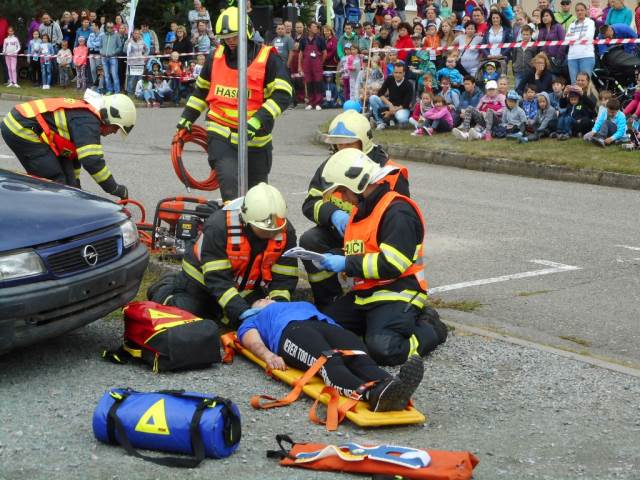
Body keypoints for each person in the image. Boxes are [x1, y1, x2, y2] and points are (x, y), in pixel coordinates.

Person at [316, 149, 446, 366]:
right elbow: (362, 252)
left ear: (357, 184)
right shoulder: (362, 211)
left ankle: (431, 328)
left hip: (399, 292)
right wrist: (337, 257)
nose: (343, 199)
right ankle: (376, 326)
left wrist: (346, 263)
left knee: (384, 350)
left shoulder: (397, 211)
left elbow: (392, 264)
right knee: (323, 327)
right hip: (365, 294)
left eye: (343, 192)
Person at [176, 7, 292, 201]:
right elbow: (201, 91)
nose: (230, 42)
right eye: (226, 37)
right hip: (221, 134)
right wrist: (187, 118)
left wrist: (257, 121)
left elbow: (283, 94)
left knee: (258, 198)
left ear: (247, 31)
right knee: (230, 187)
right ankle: (230, 227)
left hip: (256, 140)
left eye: (234, 37)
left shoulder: (268, 58)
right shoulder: (215, 57)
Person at [148, 183, 298, 328]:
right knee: (190, 317)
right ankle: (164, 289)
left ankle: (225, 312)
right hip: (201, 285)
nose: (272, 234)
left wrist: (277, 305)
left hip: (241, 288)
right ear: (247, 220)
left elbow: (285, 277)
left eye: (276, 228)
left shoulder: (284, 231)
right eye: (263, 230)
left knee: (257, 318)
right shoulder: (219, 227)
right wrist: (241, 311)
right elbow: (217, 279)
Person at [300, 110, 408, 306]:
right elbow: (310, 203)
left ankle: (370, 295)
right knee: (310, 241)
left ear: (364, 142)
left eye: (349, 144)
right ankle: (329, 301)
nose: (343, 150)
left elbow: (396, 223)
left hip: (373, 239)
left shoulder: (388, 172)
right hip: (344, 232)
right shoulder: (332, 165)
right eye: (338, 145)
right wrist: (333, 215)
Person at [238, 300, 425, 412]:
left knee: (360, 358)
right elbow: (251, 341)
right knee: (329, 361)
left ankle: (393, 387)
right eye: (260, 300)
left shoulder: (299, 304)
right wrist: (268, 355)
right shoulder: (255, 318)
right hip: (291, 330)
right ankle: (371, 394)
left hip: (327, 326)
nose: (266, 298)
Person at [0, 93, 135, 198]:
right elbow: (92, 161)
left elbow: (71, 156)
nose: (114, 132)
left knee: (67, 186)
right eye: (116, 128)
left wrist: (75, 187)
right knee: (54, 181)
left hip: (26, 124)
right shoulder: (87, 122)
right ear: (110, 117)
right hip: (20, 128)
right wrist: (114, 188)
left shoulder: (88, 117)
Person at [369, 63, 413, 129]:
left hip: (401, 108)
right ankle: (380, 122)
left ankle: (391, 120)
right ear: (393, 72)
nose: (397, 75)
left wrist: (391, 112)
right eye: (396, 72)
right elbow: (380, 93)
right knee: (372, 98)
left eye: (400, 73)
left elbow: (406, 104)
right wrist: (389, 104)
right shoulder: (389, 79)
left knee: (402, 120)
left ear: (404, 73)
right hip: (390, 105)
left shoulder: (409, 84)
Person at [299, 21, 326, 111]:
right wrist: (300, 66)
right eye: (314, 27)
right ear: (309, 28)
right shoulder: (303, 39)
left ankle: (318, 103)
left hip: (317, 65)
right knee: (309, 83)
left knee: (318, 83)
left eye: (317, 27)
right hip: (307, 65)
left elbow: (324, 53)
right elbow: (301, 53)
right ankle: (310, 102)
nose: (316, 28)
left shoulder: (320, 39)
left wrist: (320, 63)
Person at [565, 3, 596, 83]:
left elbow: (588, 37)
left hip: (586, 57)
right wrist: (580, 37)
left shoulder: (590, 22)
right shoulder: (572, 24)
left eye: (582, 10)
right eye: (577, 10)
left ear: (586, 11)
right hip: (572, 57)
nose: (580, 12)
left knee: (585, 84)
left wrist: (574, 38)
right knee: (574, 84)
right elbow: (567, 39)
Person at [537, 8, 566, 76]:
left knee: (554, 79)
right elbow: (538, 44)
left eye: (547, 15)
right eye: (543, 16)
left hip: (556, 59)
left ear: (552, 16)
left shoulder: (558, 26)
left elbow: (563, 43)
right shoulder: (541, 29)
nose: (544, 18)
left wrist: (558, 57)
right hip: (544, 60)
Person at [99, 22, 123, 95]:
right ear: (106, 28)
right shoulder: (102, 36)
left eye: (111, 27)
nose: (110, 29)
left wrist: (113, 52)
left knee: (114, 75)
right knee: (106, 75)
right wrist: (101, 51)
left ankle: (117, 91)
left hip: (113, 58)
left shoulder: (116, 36)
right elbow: (100, 46)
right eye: (108, 27)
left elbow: (120, 47)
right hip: (104, 58)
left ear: (114, 28)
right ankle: (109, 90)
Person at [512, 25, 536, 93]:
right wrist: (514, 66)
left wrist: (533, 69)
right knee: (518, 88)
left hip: (530, 71)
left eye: (527, 34)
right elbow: (514, 57)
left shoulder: (534, 44)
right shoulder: (517, 44)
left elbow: (535, 58)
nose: (525, 36)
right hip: (518, 70)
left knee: (530, 90)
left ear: (531, 34)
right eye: (523, 34)